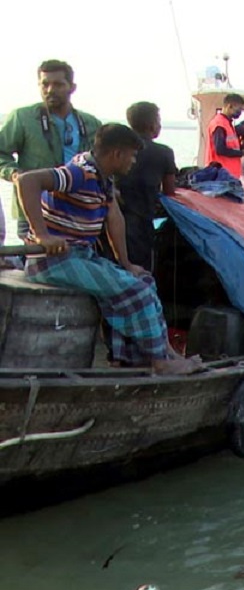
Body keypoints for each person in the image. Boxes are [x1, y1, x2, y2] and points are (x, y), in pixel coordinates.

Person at [17, 124, 199, 375]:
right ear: (117, 154)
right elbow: (27, 180)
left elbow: (115, 219)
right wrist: (42, 235)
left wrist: (125, 263)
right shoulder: (80, 173)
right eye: (132, 155)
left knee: (143, 280)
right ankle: (161, 361)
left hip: (80, 256)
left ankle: (137, 357)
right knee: (136, 292)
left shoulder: (102, 177)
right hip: (54, 261)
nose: (133, 161)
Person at [0, 59, 103, 241]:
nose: (50, 90)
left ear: (72, 87)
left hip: (79, 212)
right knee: (37, 266)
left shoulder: (91, 123)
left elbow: (104, 164)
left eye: (58, 84)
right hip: (35, 210)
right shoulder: (23, 118)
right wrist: (15, 174)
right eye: (44, 84)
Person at [120, 102, 178, 271]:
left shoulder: (118, 150)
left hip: (115, 219)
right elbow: (169, 191)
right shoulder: (164, 152)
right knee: (143, 270)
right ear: (153, 125)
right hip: (142, 223)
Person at [204, 93, 244, 177]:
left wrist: (243, 149)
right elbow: (220, 149)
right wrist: (241, 153)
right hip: (221, 173)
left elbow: (231, 146)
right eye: (239, 109)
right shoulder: (219, 124)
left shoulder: (227, 123)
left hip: (229, 173)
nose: (240, 113)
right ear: (229, 106)